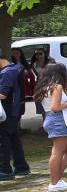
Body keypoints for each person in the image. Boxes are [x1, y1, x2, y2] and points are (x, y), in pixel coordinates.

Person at [39, 64, 67, 192]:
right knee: (57, 152)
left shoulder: (47, 86)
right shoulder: (57, 86)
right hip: (57, 119)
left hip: (52, 119)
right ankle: (55, 182)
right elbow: (55, 107)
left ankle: (56, 178)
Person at [0, 51, 31, 180]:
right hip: (14, 110)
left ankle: (4, 169)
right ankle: (21, 166)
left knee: (3, 139)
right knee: (13, 138)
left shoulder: (7, 72)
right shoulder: (14, 68)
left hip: (8, 111)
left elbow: (2, 94)